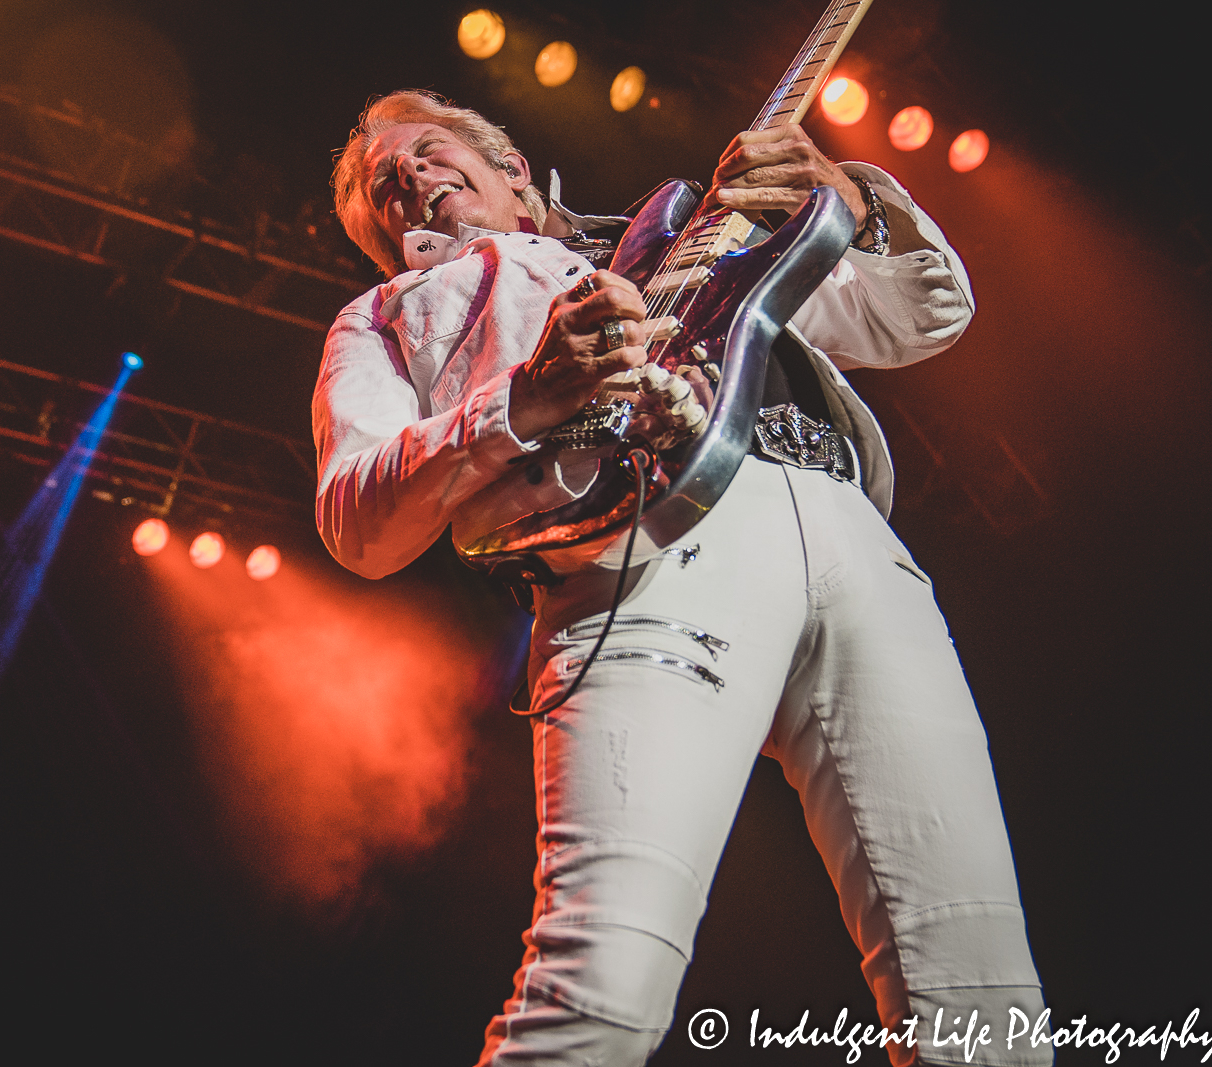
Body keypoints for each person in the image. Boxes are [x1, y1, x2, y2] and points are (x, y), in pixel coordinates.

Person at [313, 90, 1049, 1067]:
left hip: (847, 530)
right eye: (383, 188)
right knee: (600, 989)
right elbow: (355, 518)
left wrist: (853, 202)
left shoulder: (689, 238)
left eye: (428, 151)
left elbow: (920, 314)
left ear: (512, 166)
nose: (408, 177)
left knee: (980, 996)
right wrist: (523, 395)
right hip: (639, 561)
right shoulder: (383, 314)